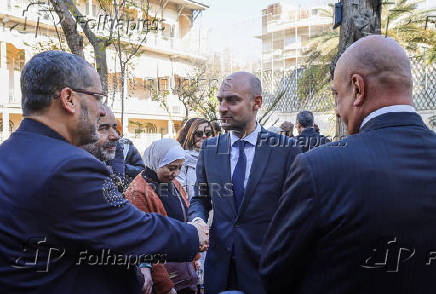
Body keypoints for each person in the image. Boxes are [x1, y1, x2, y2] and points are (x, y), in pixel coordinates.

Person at [0, 51, 207, 293]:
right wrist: (193, 235)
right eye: (97, 97)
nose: (101, 110)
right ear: (68, 99)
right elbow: (131, 231)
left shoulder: (8, 153)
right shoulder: (70, 167)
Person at [260, 35, 436, 294]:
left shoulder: (319, 168)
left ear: (357, 88)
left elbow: (274, 273)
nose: (338, 111)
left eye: (336, 94)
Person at [188, 72, 301, 294]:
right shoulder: (209, 149)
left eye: (232, 100)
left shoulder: (285, 148)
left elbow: (297, 209)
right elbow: (200, 199)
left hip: (267, 268)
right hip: (220, 269)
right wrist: (198, 220)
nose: (222, 107)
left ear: (256, 102)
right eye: (220, 100)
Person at [125, 139, 199, 294]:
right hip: (163, 277)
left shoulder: (174, 184)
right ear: (157, 162)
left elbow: (185, 221)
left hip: (184, 270)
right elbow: (145, 242)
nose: (177, 173)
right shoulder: (137, 192)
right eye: (172, 168)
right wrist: (164, 285)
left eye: (180, 168)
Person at [177, 118, 215, 202]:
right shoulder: (182, 158)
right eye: (199, 133)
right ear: (191, 136)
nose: (204, 136)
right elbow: (180, 191)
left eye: (208, 133)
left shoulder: (222, 158)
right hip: (193, 211)